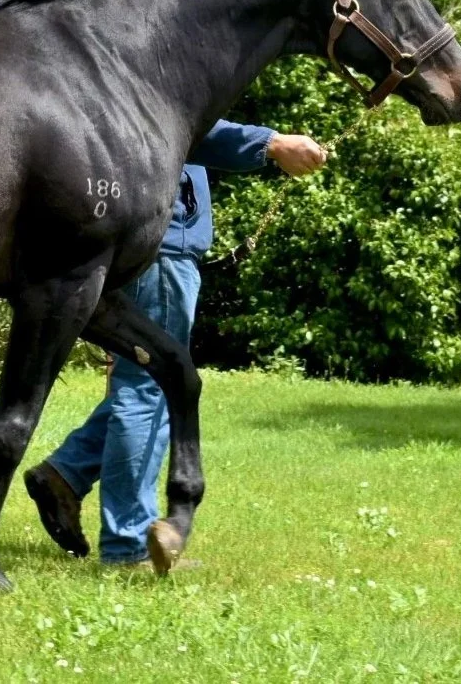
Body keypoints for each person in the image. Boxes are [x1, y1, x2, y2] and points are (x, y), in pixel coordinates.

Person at [23, 120, 327, 567]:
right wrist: (273, 143)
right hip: (163, 246)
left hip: (150, 238)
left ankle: (65, 474)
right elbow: (188, 120)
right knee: (150, 386)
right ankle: (127, 545)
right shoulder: (160, 57)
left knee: (153, 383)